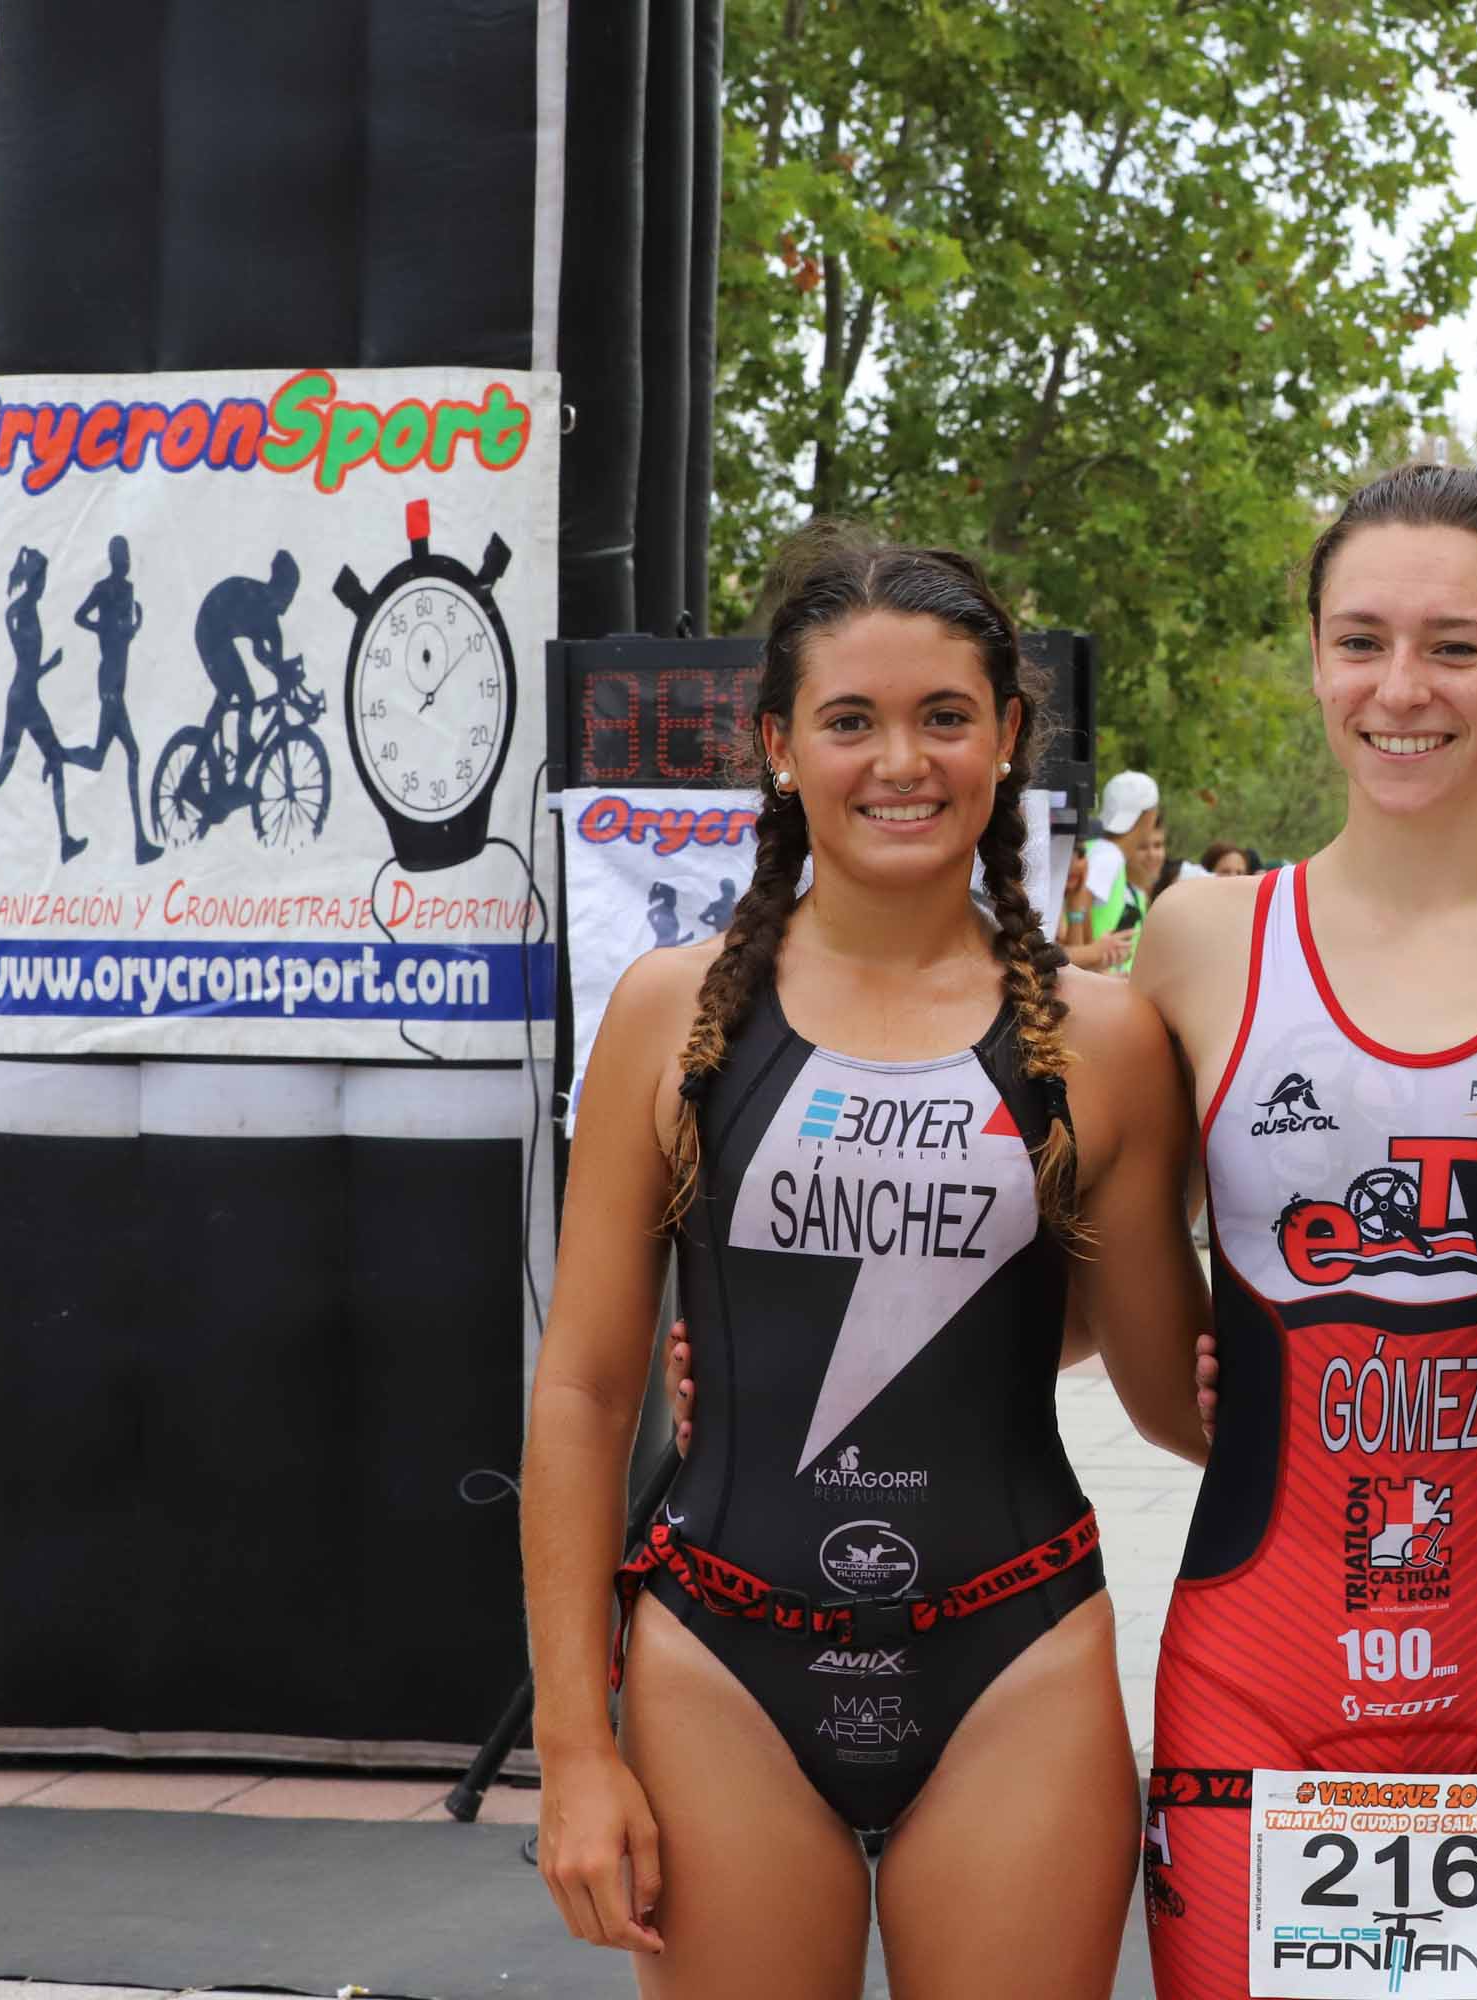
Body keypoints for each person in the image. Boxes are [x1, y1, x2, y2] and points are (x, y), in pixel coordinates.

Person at [518, 527, 1206, 1996]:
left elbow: (1179, 1396)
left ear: (1008, 737)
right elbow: (580, 1392)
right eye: (852, 721)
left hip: (1016, 1661)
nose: (903, 760)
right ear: (778, 746)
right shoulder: (667, 1014)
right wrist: (574, 1753)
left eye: (946, 717)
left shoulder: (1107, 1043)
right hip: (720, 1668)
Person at [1129, 463, 1477, 2000]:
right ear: (1313, 655)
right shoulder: (1197, 942)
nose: (1401, 687)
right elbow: (1095, 1286)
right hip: (1257, 1667)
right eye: (1360, 639)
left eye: (1454, 644)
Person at [0, 545, 90, 862]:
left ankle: (64, 840)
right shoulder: (22, 613)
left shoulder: (21, 611)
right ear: (34, 581)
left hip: (25, 695)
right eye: (42, 579)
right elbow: (27, 664)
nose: (45, 585)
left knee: (40, 761)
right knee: (7, 768)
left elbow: (27, 664)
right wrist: (51, 665)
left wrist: (49, 665)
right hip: (24, 698)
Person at [67, 535, 165, 865]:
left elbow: (123, 631)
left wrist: (132, 627)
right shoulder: (105, 588)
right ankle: (140, 842)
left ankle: (140, 843)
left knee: (100, 757)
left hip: (117, 679)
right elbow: (80, 616)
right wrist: (102, 630)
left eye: (126, 555)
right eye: (120, 555)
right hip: (109, 679)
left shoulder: (128, 589)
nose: (125, 560)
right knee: (129, 753)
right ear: (112, 557)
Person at [193, 550, 308, 794]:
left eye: (293, 594)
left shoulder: (271, 622)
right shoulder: (255, 599)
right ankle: (206, 767)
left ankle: (229, 773)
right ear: (276, 585)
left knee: (239, 693)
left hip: (221, 633)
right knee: (241, 694)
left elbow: (274, 666)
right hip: (210, 627)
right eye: (288, 592)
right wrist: (281, 672)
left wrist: (301, 699)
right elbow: (267, 658)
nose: (290, 600)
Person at [1063, 770, 1159, 972]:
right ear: (1149, 816)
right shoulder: (1109, 855)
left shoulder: (1100, 849)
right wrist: (1092, 961)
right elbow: (1080, 904)